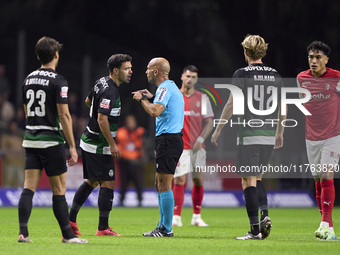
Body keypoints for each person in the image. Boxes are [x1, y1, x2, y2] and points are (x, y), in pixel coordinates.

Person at [211, 35, 286, 240]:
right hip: (269, 135)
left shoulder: (241, 73)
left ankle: (254, 231)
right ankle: (265, 215)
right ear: (263, 52)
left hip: (250, 134)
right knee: (257, 177)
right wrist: (280, 132)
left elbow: (231, 104)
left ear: (245, 52)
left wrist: (218, 129)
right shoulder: (275, 74)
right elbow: (283, 106)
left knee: (247, 180)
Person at [18, 36, 87, 243]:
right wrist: (72, 146)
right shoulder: (58, 80)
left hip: (31, 139)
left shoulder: (27, 79)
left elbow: (26, 111)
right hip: (50, 141)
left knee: (28, 187)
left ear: (38, 55)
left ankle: (23, 233)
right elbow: (65, 116)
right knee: (59, 190)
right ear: (56, 54)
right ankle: (68, 236)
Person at [68, 54, 132, 237]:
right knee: (107, 181)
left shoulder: (101, 81)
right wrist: (112, 144)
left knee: (94, 181)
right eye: (127, 68)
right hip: (98, 143)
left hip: (91, 139)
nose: (130, 72)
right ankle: (102, 228)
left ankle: (72, 219)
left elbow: (88, 101)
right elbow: (102, 118)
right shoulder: (110, 91)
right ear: (116, 70)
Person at [132, 57, 184, 237]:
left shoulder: (164, 88)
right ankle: (162, 225)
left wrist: (141, 100)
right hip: (170, 139)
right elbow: (167, 108)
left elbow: (155, 111)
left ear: (156, 71)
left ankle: (166, 228)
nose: (145, 71)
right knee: (159, 183)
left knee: (164, 183)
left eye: (148, 68)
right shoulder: (171, 87)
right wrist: (152, 97)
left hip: (168, 140)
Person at [297, 41, 339, 240]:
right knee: (317, 182)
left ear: (326, 60)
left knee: (325, 175)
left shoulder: (336, 77)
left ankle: (324, 224)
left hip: (333, 135)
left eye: (318, 57)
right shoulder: (301, 78)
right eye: (311, 57)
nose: (313, 61)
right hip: (310, 137)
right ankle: (327, 228)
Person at [172, 65, 213, 227]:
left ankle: (196, 216)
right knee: (180, 179)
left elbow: (210, 122)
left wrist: (201, 139)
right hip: (180, 147)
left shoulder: (202, 98)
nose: (190, 79)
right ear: (182, 77)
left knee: (198, 180)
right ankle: (176, 217)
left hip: (197, 147)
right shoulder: (175, 97)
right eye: (188, 76)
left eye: (193, 77)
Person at [116, 114, 145, 206]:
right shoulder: (121, 132)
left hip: (136, 161)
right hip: (124, 161)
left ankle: (140, 200)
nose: (130, 123)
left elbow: (142, 145)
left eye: (132, 121)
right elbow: (119, 144)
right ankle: (121, 200)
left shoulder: (139, 132)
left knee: (138, 181)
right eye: (128, 122)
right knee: (123, 182)